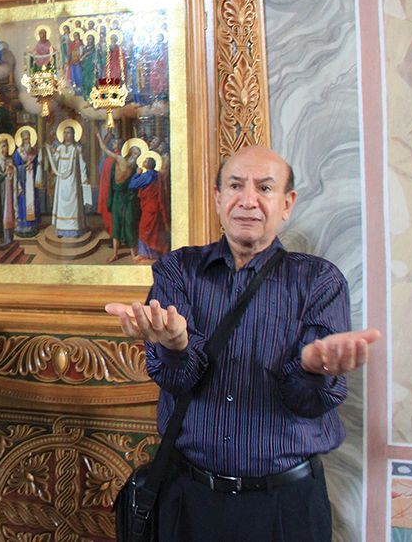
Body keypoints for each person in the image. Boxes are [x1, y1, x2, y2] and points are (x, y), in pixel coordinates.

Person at [106, 146, 381, 541]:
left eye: (264, 188)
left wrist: (312, 369)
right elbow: (176, 380)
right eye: (235, 186)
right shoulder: (178, 270)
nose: (248, 200)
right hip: (189, 498)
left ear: (287, 204)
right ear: (218, 197)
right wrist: (177, 346)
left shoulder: (319, 282)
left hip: (284, 506)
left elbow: (309, 402)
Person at [98, 134, 140, 263]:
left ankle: (134, 255)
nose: (134, 157)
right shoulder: (120, 159)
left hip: (128, 198)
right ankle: (115, 253)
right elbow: (104, 149)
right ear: (128, 153)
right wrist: (99, 136)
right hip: (117, 196)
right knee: (116, 223)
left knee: (129, 224)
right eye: (133, 153)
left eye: (137, 155)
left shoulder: (137, 169)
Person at [44, 124, 91, 238]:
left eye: (68, 133)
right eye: (64, 133)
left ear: (73, 135)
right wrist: (50, 151)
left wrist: (84, 179)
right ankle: (61, 230)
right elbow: (54, 162)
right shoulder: (60, 148)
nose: (66, 135)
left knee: (73, 204)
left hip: (73, 182)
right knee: (62, 204)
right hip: (62, 183)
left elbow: (82, 165)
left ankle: (74, 230)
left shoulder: (77, 149)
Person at [128, 155, 168, 259]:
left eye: (145, 161)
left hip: (149, 208)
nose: (143, 162)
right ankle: (155, 253)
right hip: (156, 207)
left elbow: (132, 185)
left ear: (149, 165)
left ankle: (145, 254)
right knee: (155, 230)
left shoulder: (147, 176)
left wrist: (137, 174)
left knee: (144, 229)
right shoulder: (157, 175)